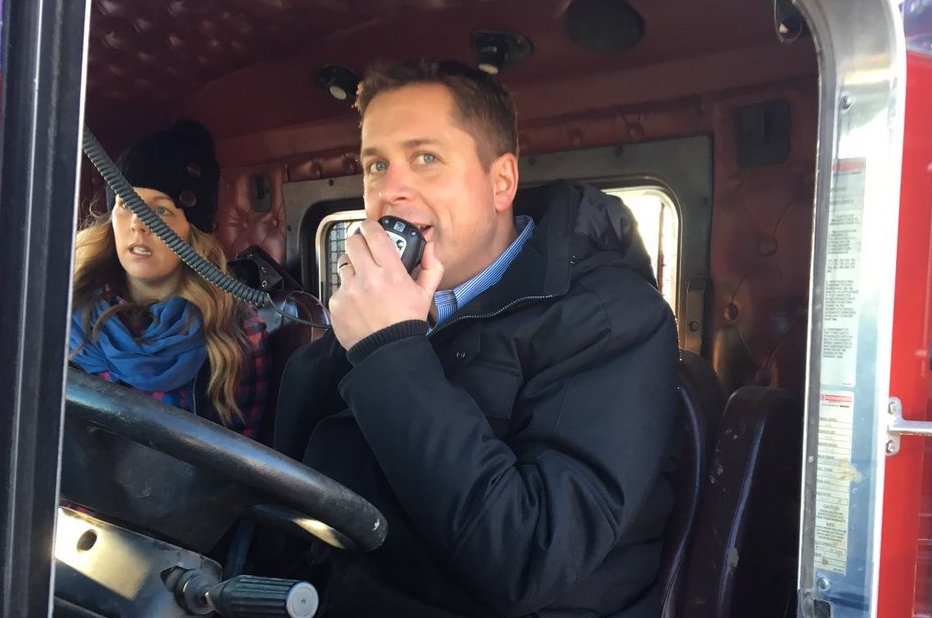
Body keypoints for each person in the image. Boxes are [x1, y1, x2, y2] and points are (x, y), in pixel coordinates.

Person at [275, 60, 683, 617]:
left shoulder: (613, 319)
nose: (390, 189)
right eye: (375, 165)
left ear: (501, 182)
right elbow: (290, 514)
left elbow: (529, 558)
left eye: (426, 158)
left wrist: (391, 351)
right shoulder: (371, 321)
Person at [69, 120, 270, 439]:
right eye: (125, 204)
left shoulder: (234, 332)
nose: (138, 224)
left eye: (160, 211)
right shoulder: (71, 307)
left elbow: (242, 466)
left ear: (195, 230)